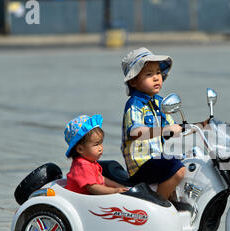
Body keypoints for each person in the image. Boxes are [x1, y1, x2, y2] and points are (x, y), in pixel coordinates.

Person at [120, 47, 208, 201]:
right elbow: (135, 131)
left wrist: (201, 126)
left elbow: (176, 129)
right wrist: (164, 130)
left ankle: (177, 204)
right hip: (142, 165)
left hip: (159, 160)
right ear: (134, 81)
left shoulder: (160, 103)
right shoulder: (135, 104)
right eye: (149, 74)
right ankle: (157, 204)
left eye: (158, 73)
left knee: (193, 164)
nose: (156, 78)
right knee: (177, 170)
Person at [64, 114, 128, 195]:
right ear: (80, 149)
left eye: (101, 143)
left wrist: (118, 186)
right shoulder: (82, 165)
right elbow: (93, 188)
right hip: (81, 199)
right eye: (96, 144)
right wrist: (114, 191)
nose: (100, 148)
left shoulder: (90, 162)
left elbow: (101, 179)